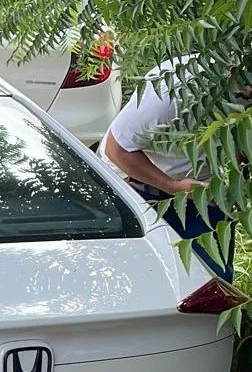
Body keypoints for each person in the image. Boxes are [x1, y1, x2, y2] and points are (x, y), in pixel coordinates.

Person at [101, 58, 243, 281]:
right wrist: (173, 186)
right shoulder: (171, 94)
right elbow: (117, 149)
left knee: (214, 280)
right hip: (138, 184)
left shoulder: (241, 92)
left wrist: (234, 181)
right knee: (150, 277)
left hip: (203, 189)